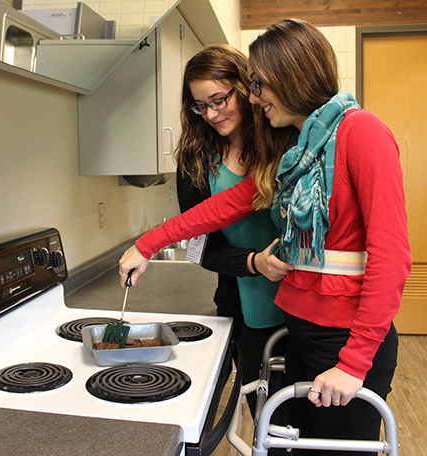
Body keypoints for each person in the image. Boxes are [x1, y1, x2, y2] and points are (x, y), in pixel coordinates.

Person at [119, 19, 411, 455]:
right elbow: (228, 204)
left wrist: (354, 364)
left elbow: (391, 257)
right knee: (292, 447)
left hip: (343, 338)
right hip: (301, 328)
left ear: (290, 76)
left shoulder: (361, 132)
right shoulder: (301, 150)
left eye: (257, 84)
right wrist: (148, 243)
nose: (253, 97)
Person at [172, 44, 286, 417]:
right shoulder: (195, 160)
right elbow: (197, 247)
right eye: (200, 106)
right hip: (242, 310)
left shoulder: (280, 140)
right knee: (269, 423)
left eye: (219, 99)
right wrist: (252, 262)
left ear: (245, 86)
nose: (211, 114)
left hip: (304, 310)